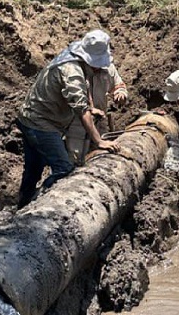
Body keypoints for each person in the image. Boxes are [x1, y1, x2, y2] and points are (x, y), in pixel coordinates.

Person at [16, 30, 118, 207]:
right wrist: (99, 140)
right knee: (64, 168)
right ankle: (39, 206)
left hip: (31, 117)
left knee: (33, 169)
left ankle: (21, 206)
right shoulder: (72, 71)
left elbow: (80, 93)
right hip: (41, 123)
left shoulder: (72, 56)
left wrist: (91, 108)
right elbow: (80, 108)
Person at [64, 60, 128, 164]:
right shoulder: (76, 70)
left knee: (101, 158)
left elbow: (119, 85)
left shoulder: (109, 68)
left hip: (100, 124)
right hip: (78, 125)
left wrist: (120, 93)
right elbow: (70, 98)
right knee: (75, 161)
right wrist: (90, 109)